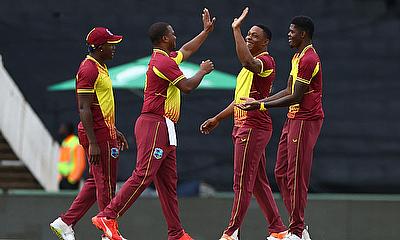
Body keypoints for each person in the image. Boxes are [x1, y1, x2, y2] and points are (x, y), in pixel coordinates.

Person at [91, 8, 216, 240]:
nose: (176, 37)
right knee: (144, 173)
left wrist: (206, 32)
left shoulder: (166, 58)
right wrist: (202, 71)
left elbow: (187, 49)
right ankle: (108, 216)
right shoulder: (163, 62)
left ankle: (176, 233)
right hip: (155, 123)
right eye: (173, 34)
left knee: (169, 184)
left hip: (165, 126)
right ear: (165, 38)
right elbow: (187, 87)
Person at [200, 7, 287, 240]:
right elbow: (239, 100)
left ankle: (231, 233)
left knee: (241, 181)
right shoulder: (248, 67)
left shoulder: (265, 61)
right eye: (247, 34)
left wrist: (236, 30)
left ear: (266, 42)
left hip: (253, 127)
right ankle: (278, 230)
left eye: (254, 36)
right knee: (257, 182)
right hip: (244, 126)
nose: (249, 37)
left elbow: (248, 61)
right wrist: (218, 118)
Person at [237, 15, 324, 240]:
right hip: (293, 118)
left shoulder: (309, 59)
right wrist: (260, 103)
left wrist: (261, 104)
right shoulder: (298, 56)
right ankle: (300, 228)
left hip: (305, 120)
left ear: (303, 34)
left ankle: (295, 231)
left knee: (296, 175)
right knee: (281, 173)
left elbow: (296, 96)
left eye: (292, 31)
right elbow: (287, 90)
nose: (288, 34)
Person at [50, 27, 129, 240]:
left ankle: (66, 222)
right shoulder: (89, 69)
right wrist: (94, 142)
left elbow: (99, 105)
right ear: (100, 47)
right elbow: (83, 107)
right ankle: (108, 232)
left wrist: (114, 130)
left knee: (96, 181)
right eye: (111, 45)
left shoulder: (99, 66)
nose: (114, 48)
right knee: (106, 182)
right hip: (97, 134)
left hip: (104, 130)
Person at [57, 123, 86, 190]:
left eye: (63, 128)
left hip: (71, 181)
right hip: (63, 179)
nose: (60, 130)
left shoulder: (76, 142)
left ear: (68, 130)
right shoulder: (65, 142)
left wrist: (72, 179)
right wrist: (60, 178)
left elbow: (81, 163)